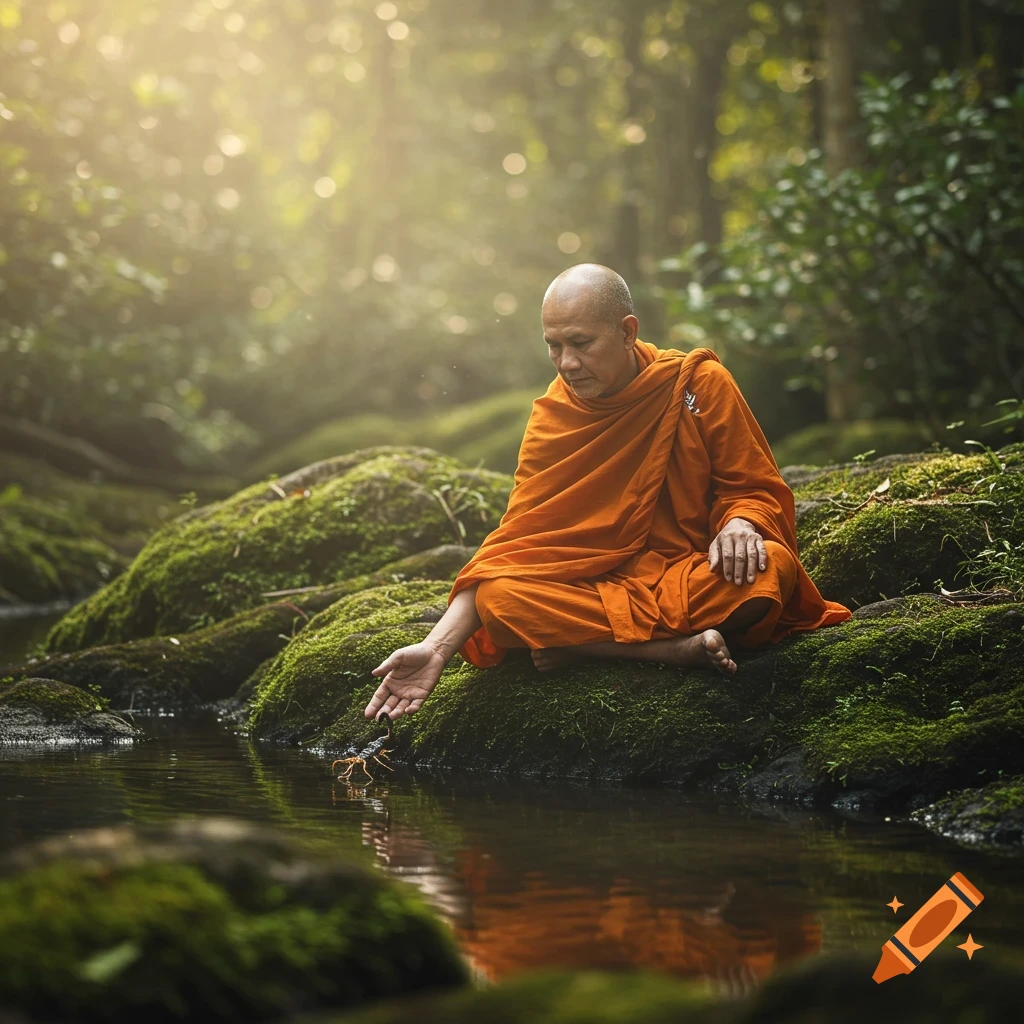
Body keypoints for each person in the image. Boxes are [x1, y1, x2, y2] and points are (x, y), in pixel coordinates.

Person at [364, 264, 851, 722]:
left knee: (769, 570)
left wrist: (741, 523)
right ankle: (669, 651)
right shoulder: (553, 417)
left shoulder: (697, 383)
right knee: (499, 599)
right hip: (591, 585)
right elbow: (518, 545)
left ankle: (575, 646)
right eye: (553, 345)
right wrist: (435, 648)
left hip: (686, 573)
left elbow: (753, 486)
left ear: (627, 331)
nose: (566, 363)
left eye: (580, 343)